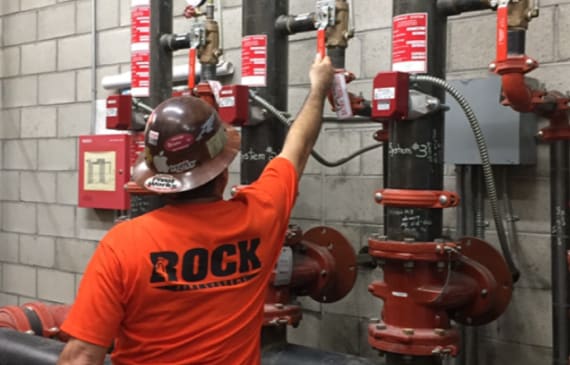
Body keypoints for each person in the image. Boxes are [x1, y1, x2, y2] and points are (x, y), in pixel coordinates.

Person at [57, 54, 335, 365]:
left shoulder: (122, 245)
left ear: (158, 178)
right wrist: (319, 87)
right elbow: (297, 148)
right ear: (224, 170)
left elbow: (80, 357)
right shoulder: (261, 215)